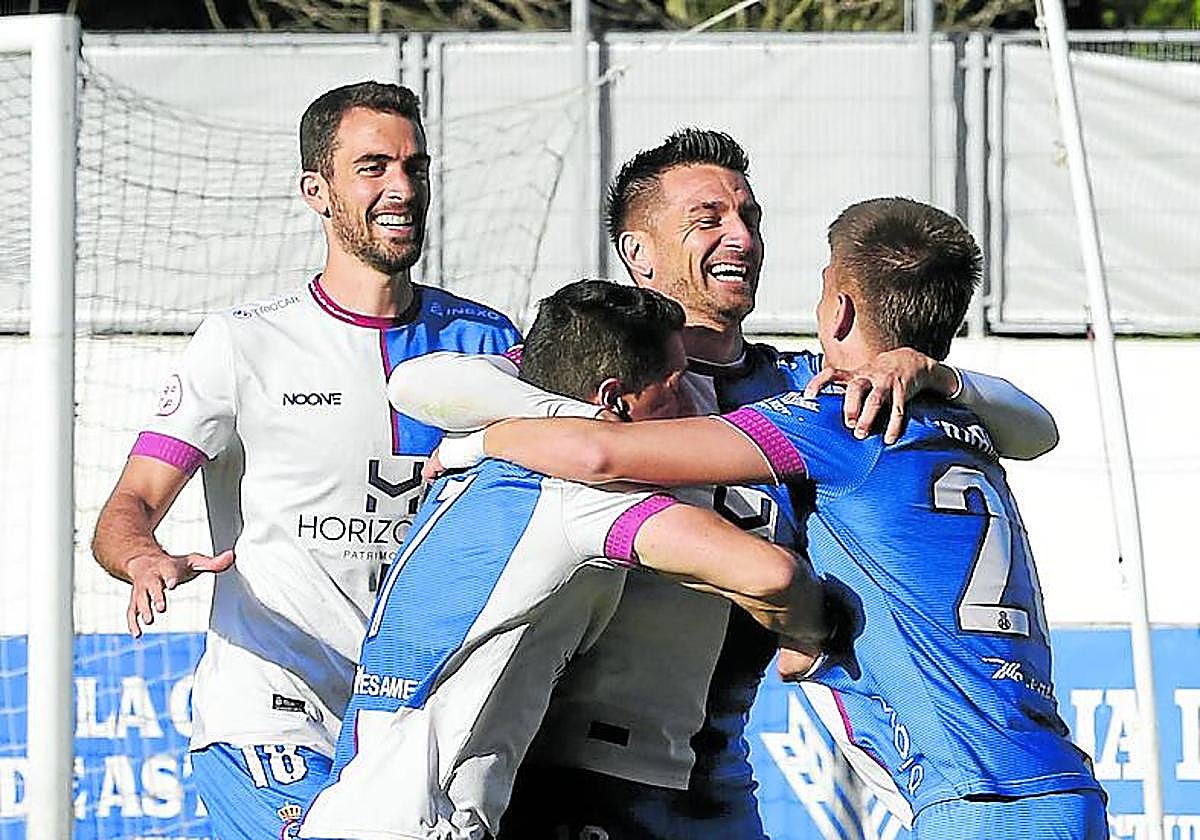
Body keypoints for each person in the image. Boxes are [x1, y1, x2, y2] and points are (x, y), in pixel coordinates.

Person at [391, 130, 1060, 839]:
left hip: (719, 776)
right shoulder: (591, 374)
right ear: (637, 254)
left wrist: (930, 368)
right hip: (581, 772)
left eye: (750, 217)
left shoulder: (808, 392)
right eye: (707, 220)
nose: (740, 236)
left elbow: (1035, 430)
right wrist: (535, 423)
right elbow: (419, 383)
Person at [90, 81, 521, 840]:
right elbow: (126, 511)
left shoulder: (488, 341)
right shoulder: (242, 343)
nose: (402, 189)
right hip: (272, 714)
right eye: (374, 167)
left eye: (416, 168)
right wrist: (142, 559)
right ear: (316, 192)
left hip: (422, 718)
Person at [297, 279, 831, 840]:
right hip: (424, 825)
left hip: (354, 807)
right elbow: (769, 575)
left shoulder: (470, 449)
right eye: (675, 388)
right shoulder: (578, 495)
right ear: (614, 400)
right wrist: (813, 630)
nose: (690, 407)